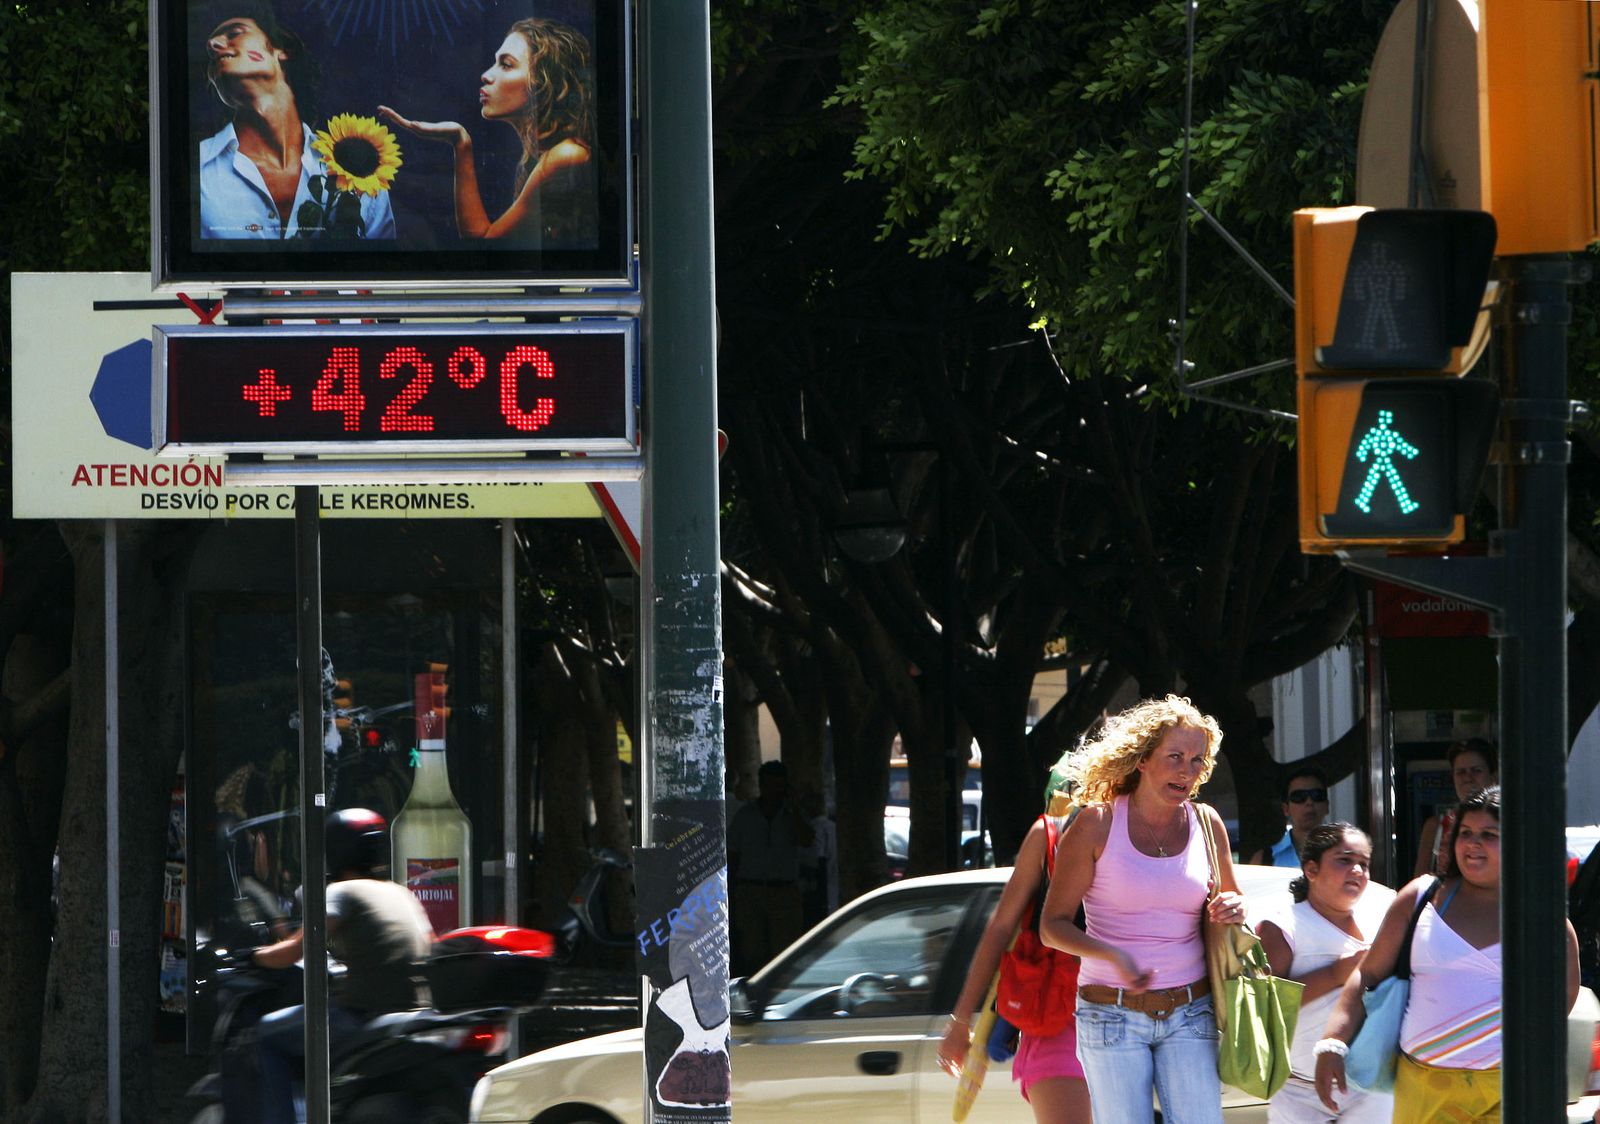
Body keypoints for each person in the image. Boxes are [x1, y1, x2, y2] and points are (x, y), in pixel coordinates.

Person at [1314, 786, 1581, 1123]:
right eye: (1465, 832)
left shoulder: (1544, 920)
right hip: (1423, 1090)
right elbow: (1366, 975)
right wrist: (1332, 1043)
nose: (1473, 843)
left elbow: (1561, 1002)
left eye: (1489, 834)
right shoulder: (1421, 896)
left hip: (1509, 1091)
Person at [1039, 695, 1247, 1124]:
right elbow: (1051, 927)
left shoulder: (1207, 824)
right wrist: (1113, 954)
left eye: (1195, 760)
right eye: (1174, 757)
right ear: (1142, 760)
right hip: (1109, 1010)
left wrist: (1232, 907)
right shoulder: (1097, 824)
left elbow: (1232, 905)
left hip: (1192, 1010)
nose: (1186, 771)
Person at [248, 808, 435, 1124]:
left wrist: (255, 956)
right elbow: (427, 945)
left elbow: (297, 949)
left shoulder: (340, 892)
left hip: (362, 1016)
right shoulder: (402, 893)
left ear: (334, 851)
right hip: (411, 1016)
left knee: (266, 1033)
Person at [936, 751, 1091, 1122]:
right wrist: (960, 1022)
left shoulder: (1150, 837)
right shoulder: (1050, 835)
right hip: (1058, 1021)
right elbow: (1000, 929)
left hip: (1138, 1021)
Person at [379, 18, 596, 245]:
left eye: (507, 64)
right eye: (495, 63)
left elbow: (483, 243)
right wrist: (460, 140)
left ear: (542, 81)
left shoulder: (565, 155)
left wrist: (461, 143)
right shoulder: (538, 155)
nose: (486, 75)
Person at [198, 2, 396, 239]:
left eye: (235, 32)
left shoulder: (361, 170)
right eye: (210, 51)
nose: (213, 45)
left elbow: (377, 269)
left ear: (281, 48)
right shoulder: (196, 166)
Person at [1256, 823, 1395, 1123]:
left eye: (1364, 864)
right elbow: (1267, 1006)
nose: (1357, 870)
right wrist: (1337, 972)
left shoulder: (1380, 922)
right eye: (1344, 860)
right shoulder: (1282, 926)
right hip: (1297, 1090)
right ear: (1311, 869)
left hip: (1370, 1087)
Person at [726, 760, 814, 975]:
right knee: (752, 950)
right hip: (750, 890)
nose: (774, 791)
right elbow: (733, 853)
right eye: (770, 785)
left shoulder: (793, 815)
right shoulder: (746, 815)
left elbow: (807, 840)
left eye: (779, 786)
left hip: (784, 891)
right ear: (761, 785)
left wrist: (793, 808)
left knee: (784, 952)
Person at [1411, 739, 1497, 878]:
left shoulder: (1508, 823)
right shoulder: (1436, 827)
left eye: (1476, 771)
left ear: (1493, 777)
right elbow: (1420, 883)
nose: (1468, 778)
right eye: (1461, 772)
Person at [1247, 767, 1331, 867]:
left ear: (1327, 806)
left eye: (1317, 795)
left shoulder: (1345, 854)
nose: (1309, 802)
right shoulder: (1264, 858)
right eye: (1299, 797)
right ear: (1286, 809)